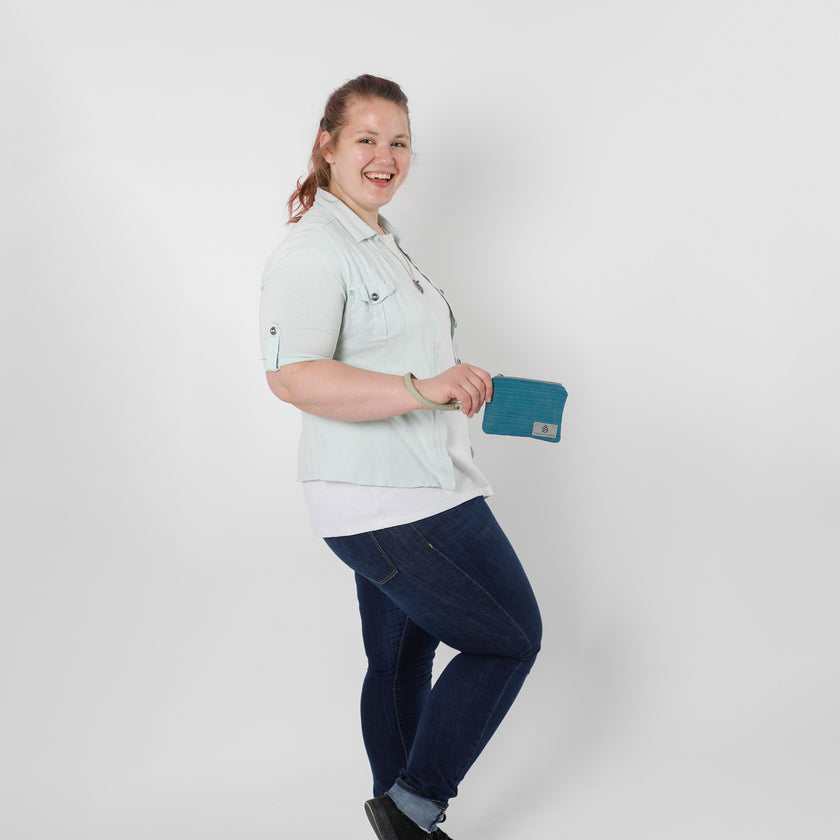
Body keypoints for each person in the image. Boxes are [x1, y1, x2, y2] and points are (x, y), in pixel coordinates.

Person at [259, 74, 542, 839]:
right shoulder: (314, 248)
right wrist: (423, 385)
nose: (385, 156)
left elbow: (392, 365)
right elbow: (294, 377)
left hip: (411, 482)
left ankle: (399, 821)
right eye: (366, 139)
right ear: (328, 144)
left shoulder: (377, 236)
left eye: (399, 142)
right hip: (391, 500)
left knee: (398, 663)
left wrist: (452, 383)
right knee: (511, 637)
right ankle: (413, 808)